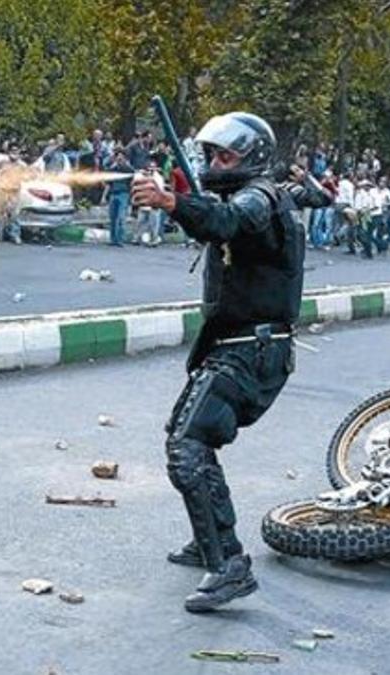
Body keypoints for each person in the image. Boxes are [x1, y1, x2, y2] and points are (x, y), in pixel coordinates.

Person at [131, 112, 331, 613]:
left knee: (188, 446)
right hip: (234, 345)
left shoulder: (260, 199)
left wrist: (171, 201)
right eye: (211, 155)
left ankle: (230, 565)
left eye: (225, 156)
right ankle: (209, 542)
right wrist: (183, 201)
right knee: (187, 437)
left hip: (252, 351)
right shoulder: (244, 195)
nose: (215, 163)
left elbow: (229, 221)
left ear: (253, 158)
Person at [104, 148, 134, 247]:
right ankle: (113, 240)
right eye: (118, 157)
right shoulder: (112, 169)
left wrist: (132, 197)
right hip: (113, 194)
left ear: (125, 158)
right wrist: (104, 197)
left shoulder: (129, 169)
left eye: (121, 157)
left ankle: (120, 239)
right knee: (112, 218)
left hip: (123, 194)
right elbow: (108, 184)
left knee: (121, 218)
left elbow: (132, 184)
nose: (119, 159)